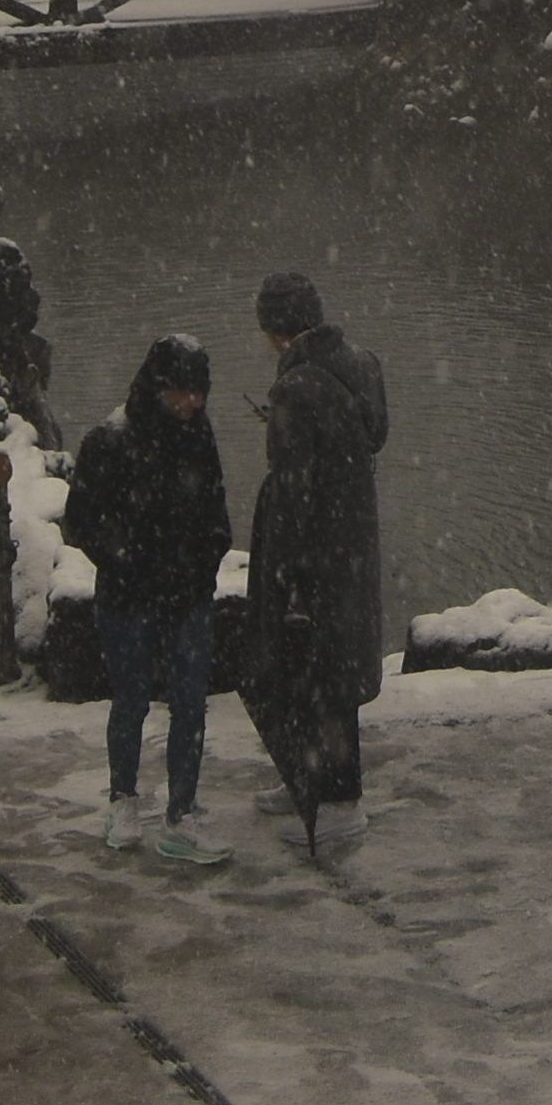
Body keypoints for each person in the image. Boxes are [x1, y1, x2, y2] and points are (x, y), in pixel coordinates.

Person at [237, 270, 392, 864]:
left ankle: (339, 800)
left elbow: (296, 486)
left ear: (276, 329)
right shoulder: (362, 362)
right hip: (353, 538)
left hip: (313, 548)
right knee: (335, 665)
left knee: (307, 667)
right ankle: (308, 780)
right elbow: (361, 439)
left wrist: (291, 574)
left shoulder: (297, 386)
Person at [65, 333, 236, 865]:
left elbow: (214, 513)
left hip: (187, 597)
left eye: (200, 392)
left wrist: (204, 567)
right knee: (131, 700)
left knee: (190, 705)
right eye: (185, 392)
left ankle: (181, 812)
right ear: (160, 388)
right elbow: (82, 522)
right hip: (128, 598)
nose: (194, 403)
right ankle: (123, 798)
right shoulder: (109, 442)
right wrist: (127, 565)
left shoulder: (198, 437)